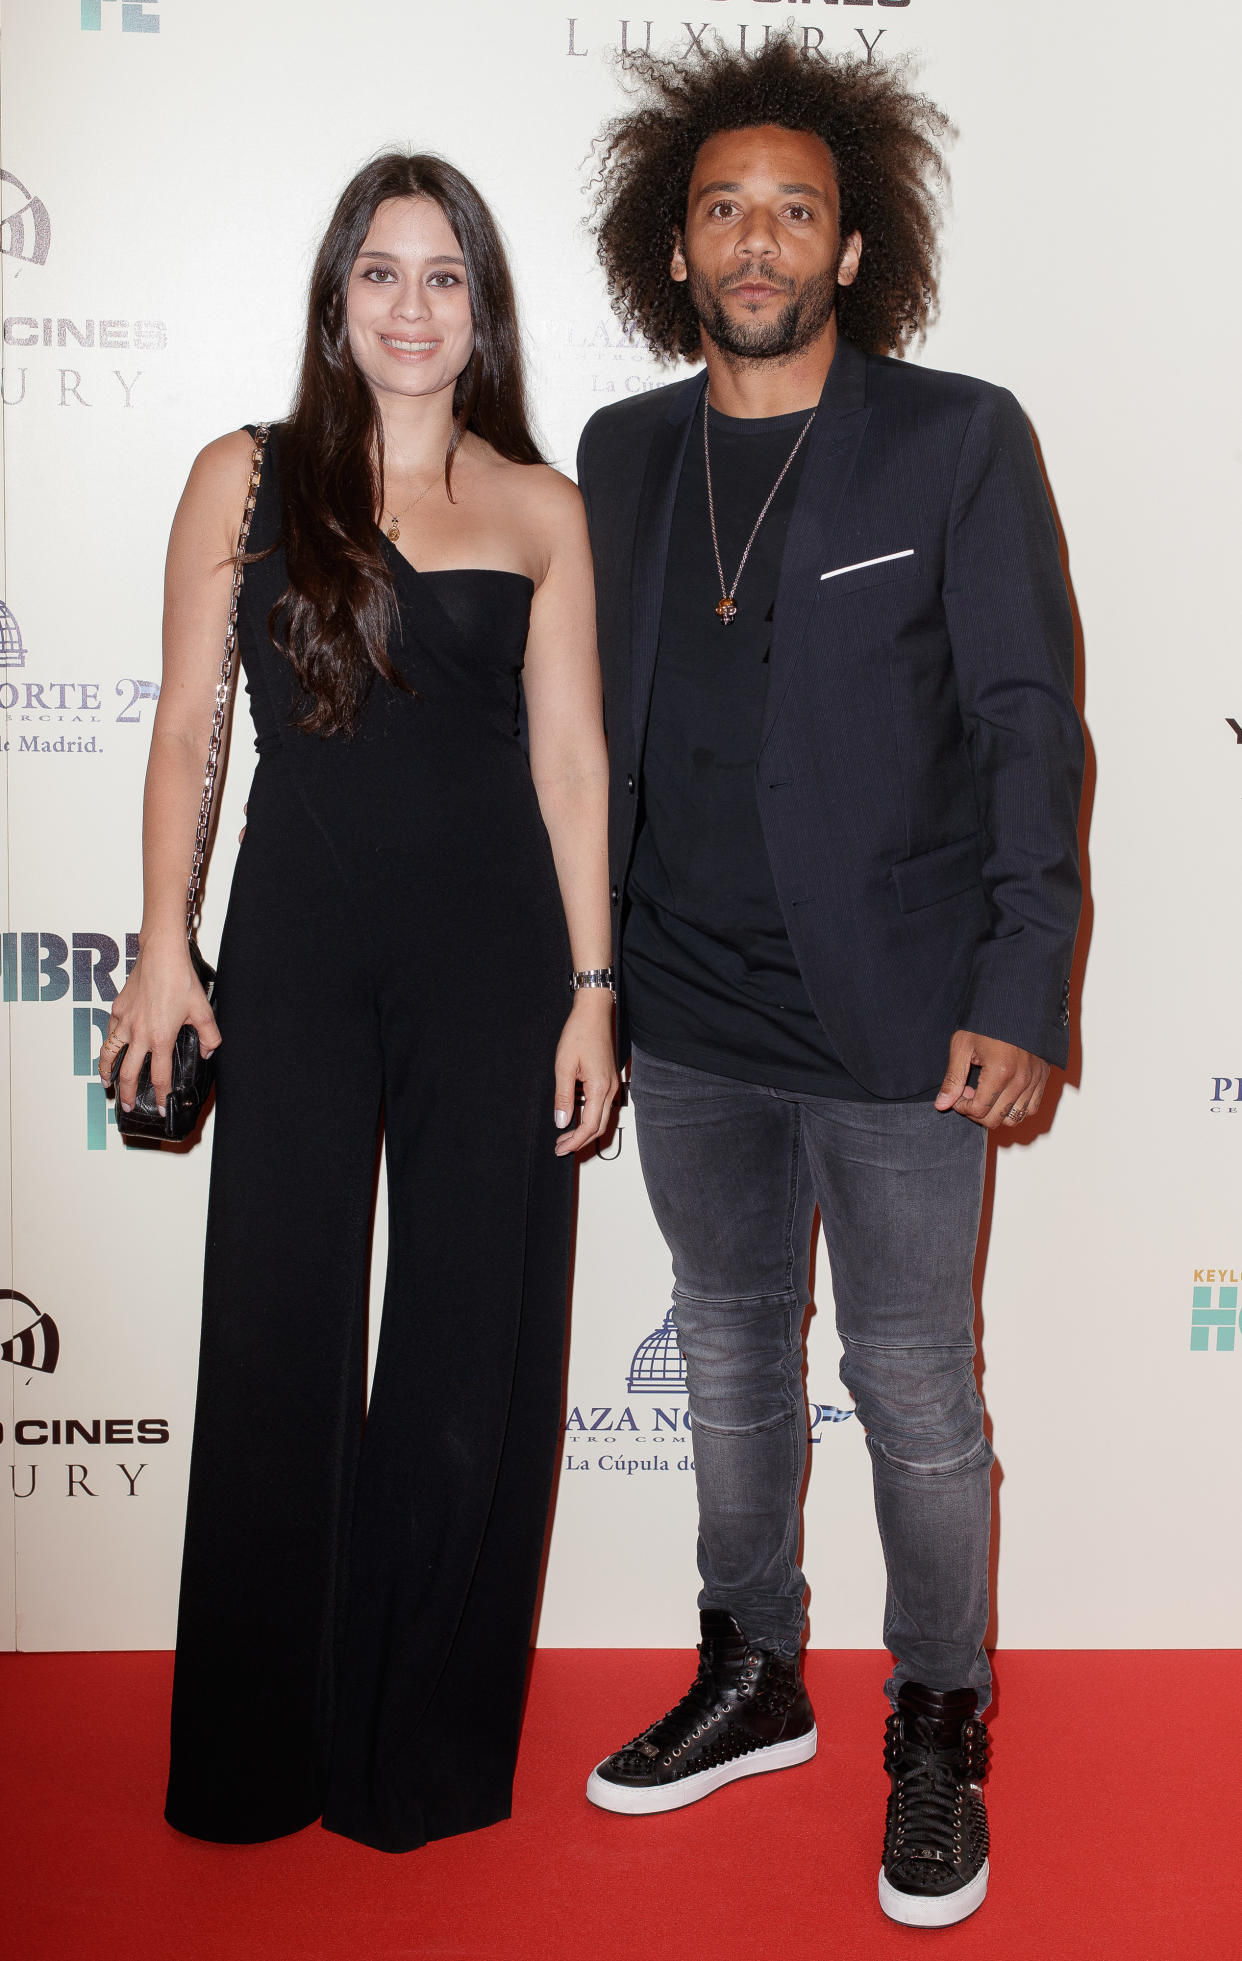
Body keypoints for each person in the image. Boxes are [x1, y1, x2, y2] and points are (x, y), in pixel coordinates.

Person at [575, 42, 1082, 1928]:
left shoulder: (953, 437)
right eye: (723, 208)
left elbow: (1030, 728)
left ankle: (935, 1719)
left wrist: (1023, 985)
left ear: (852, 243)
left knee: (914, 1392)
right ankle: (754, 1669)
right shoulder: (624, 455)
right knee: (722, 1357)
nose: (757, 236)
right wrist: (586, 980)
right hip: (684, 1017)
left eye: (794, 206)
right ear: (673, 243)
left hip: (896, 1024)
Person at [100, 152, 617, 1854]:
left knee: (479, 1339)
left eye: (444, 276)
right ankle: (255, 1758)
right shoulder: (242, 478)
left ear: (484, 308)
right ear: (336, 297)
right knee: (274, 1332)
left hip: (498, 963)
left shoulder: (542, 506)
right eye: (380, 272)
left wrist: (594, 984)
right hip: (299, 949)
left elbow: (568, 760)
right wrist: (164, 945)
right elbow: (189, 728)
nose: (411, 305)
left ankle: (424, 1758)